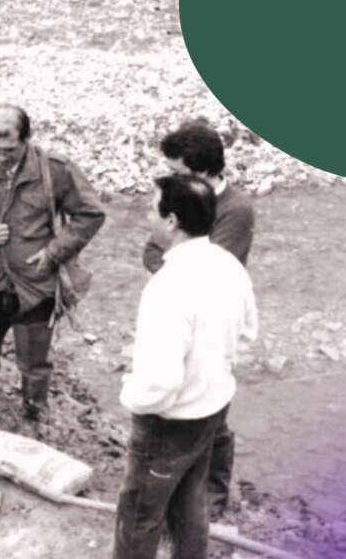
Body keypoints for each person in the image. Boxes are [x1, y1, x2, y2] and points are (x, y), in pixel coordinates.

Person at [115, 175, 258, 559]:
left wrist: (130, 396)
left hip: (169, 423)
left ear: (171, 221)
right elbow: (247, 333)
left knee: (139, 516)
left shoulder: (166, 286)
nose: (147, 216)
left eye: (151, 209)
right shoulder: (229, 265)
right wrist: (210, 369)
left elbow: (160, 384)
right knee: (191, 505)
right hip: (212, 409)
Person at [0, 104, 105, 424]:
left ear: (26, 139)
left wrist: (54, 252)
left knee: (35, 356)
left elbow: (91, 214)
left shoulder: (55, 169)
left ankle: (33, 412)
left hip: (36, 282)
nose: (1, 157)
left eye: (10, 150)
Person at [140, 122, 256, 520]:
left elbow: (209, 267)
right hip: (188, 313)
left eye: (178, 171)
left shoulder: (236, 210)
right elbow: (152, 250)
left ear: (203, 171)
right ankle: (184, 493)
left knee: (213, 411)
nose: (172, 178)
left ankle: (213, 499)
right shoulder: (184, 198)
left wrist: (174, 264)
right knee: (181, 399)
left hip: (216, 322)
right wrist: (178, 264)